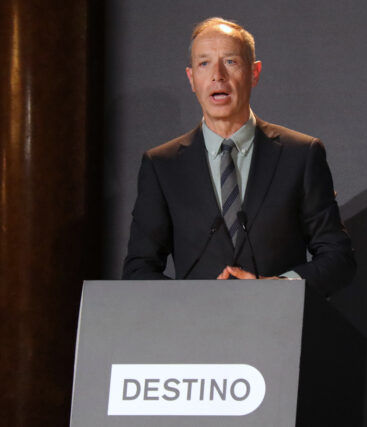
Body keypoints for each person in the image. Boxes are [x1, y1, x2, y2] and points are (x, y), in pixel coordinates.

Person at [122, 17, 354, 297]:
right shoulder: (162, 165)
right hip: (197, 322)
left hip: (277, 320)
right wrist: (194, 300)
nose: (217, 75)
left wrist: (277, 289)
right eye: (204, 63)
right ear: (191, 78)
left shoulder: (301, 154)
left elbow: (338, 258)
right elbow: (139, 269)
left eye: (230, 62)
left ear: (254, 72)